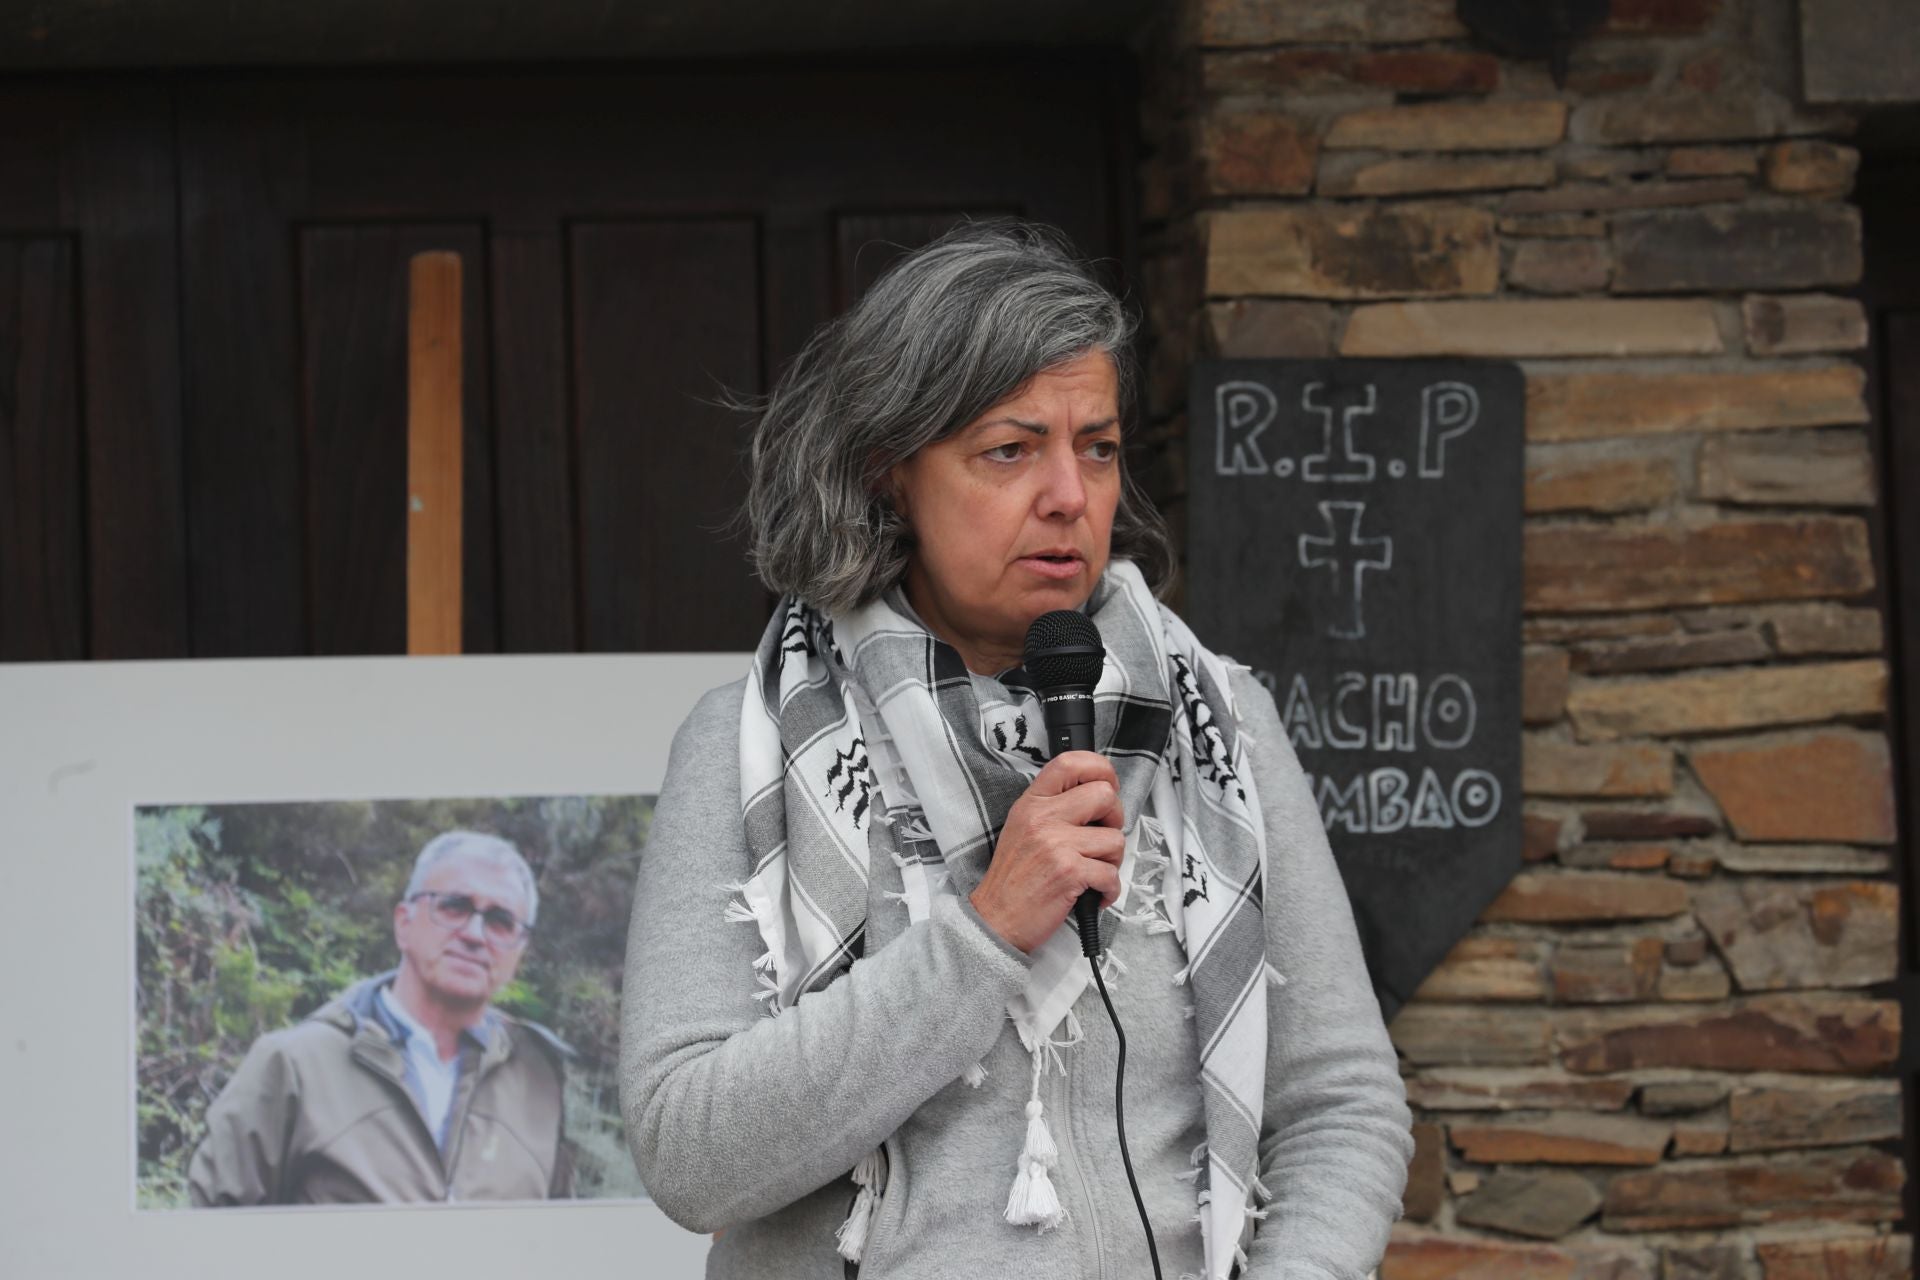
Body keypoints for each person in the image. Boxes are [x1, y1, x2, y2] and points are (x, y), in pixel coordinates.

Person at [619, 220, 1411, 1278]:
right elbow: (687, 1152)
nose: (1070, 497)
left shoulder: (1223, 728)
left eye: (1098, 448)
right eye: (1010, 448)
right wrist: (984, 931)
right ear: (889, 470)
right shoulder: (747, 743)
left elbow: (1341, 1105)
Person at [188, 830, 574, 1205]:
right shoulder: (296, 1066)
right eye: (454, 907)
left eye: (500, 921)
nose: (475, 934)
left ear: (520, 951)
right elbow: (208, 1229)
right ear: (403, 923)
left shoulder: (539, 1083)